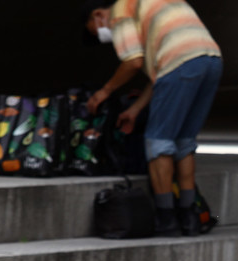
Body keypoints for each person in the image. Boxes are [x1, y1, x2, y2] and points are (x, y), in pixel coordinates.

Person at [82, 0, 222, 237]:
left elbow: (134, 61)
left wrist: (105, 91)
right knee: (184, 141)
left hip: (180, 62)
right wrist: (135, 109)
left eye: (97, 32)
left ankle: (166, 218)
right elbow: (163, 73)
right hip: (211, 60)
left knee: (158, 142)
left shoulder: (120, 12)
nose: (105, 37)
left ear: (98, 15)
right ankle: (189, 216)